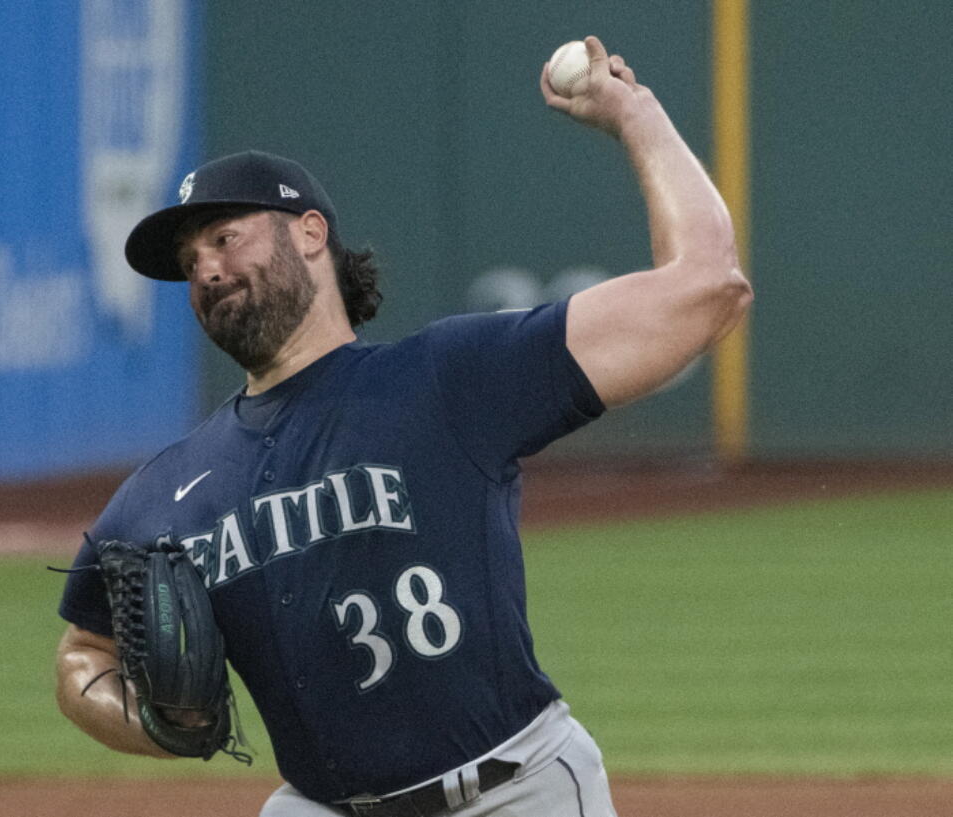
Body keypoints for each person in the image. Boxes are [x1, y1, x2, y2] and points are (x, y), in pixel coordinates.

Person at [54, 36, 752, 816]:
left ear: (309, 233)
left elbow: (707, 287)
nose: (206, 269)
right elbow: (82, 653)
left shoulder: (448, 379)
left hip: (513, 790)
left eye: (225, 238)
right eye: (189, 262)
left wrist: (635, 113)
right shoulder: (169, 487)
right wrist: (148, 719)